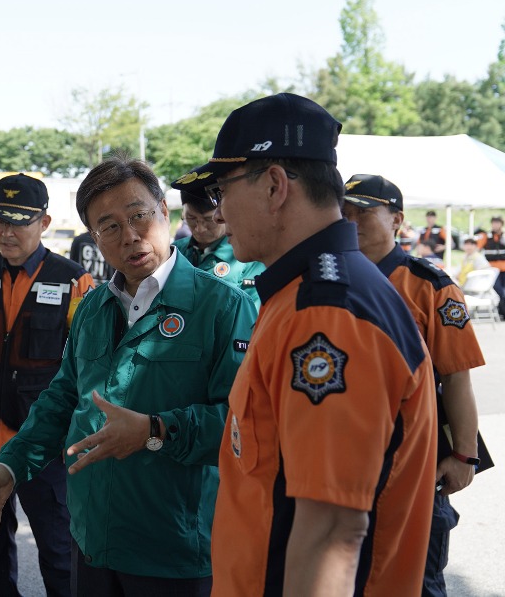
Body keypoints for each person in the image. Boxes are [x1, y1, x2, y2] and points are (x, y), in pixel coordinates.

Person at [0, 156, 257, 596]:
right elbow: (62, 399)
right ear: (94, 238)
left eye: (139, 216)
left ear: (165, 213)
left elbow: (242, 426)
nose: (130, 235)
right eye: (109, 227)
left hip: (173, 552)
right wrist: (11, 467)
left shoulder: (224, 307)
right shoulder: (93, 308)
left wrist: (155, 431)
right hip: (93, 539)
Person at [173, 93, 436, 596]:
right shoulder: (302, 293)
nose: (219, 210)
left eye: (223, 189)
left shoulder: (327, 314)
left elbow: (332, 533)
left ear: (274, 186)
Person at [0, 174, 94, 596]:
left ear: (44, 222)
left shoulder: (73, 281)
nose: (7, 231)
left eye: (19, 221)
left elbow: (84, 365)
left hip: (41, 437)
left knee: (56, 544)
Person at [342, 173, 485, 597]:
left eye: (364, 212)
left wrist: (464, 455)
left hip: (415, 456)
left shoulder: (430, 286)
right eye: (345, 211)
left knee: (417, 579)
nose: (352, 220)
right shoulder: (328, 279)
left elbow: (457, 378)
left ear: (397, 221)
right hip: (345, 455)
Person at [172, 190, 265, 306]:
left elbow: (251, 315)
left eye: (208, 220)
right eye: (191, 218)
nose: (200, 229)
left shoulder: (248, 254)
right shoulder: (174, 251)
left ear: (222, 215)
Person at [479, 215, 505, 318]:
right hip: (493, 270)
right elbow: (476, 248)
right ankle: (502, 310)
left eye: (497, 223)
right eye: (493, 223)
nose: (495, 225)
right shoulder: (486, 236)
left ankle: (502, 311)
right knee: (500, 290)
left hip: (504, 268)